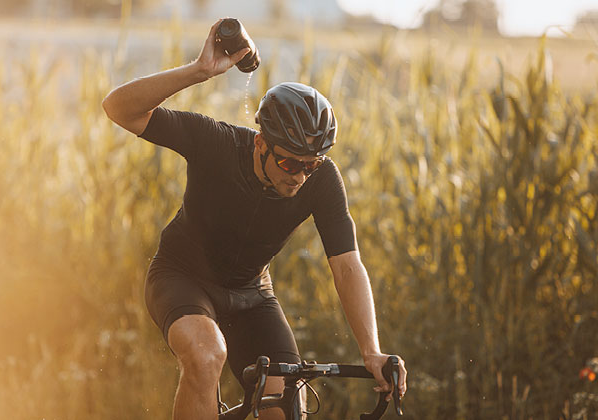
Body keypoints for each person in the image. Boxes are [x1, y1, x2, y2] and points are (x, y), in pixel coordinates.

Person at [102, 18, 407, 420]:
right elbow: (118, 108)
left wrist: (371, 350)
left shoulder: (321, 180)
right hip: (182, 277)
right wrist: (198, 70)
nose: (299, 175)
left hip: (251, 295)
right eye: (289, 161)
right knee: (206, 353)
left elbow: (347, 265)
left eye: (310, 165)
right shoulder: (217, 143)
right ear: (261, 142)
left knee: (288, 406)